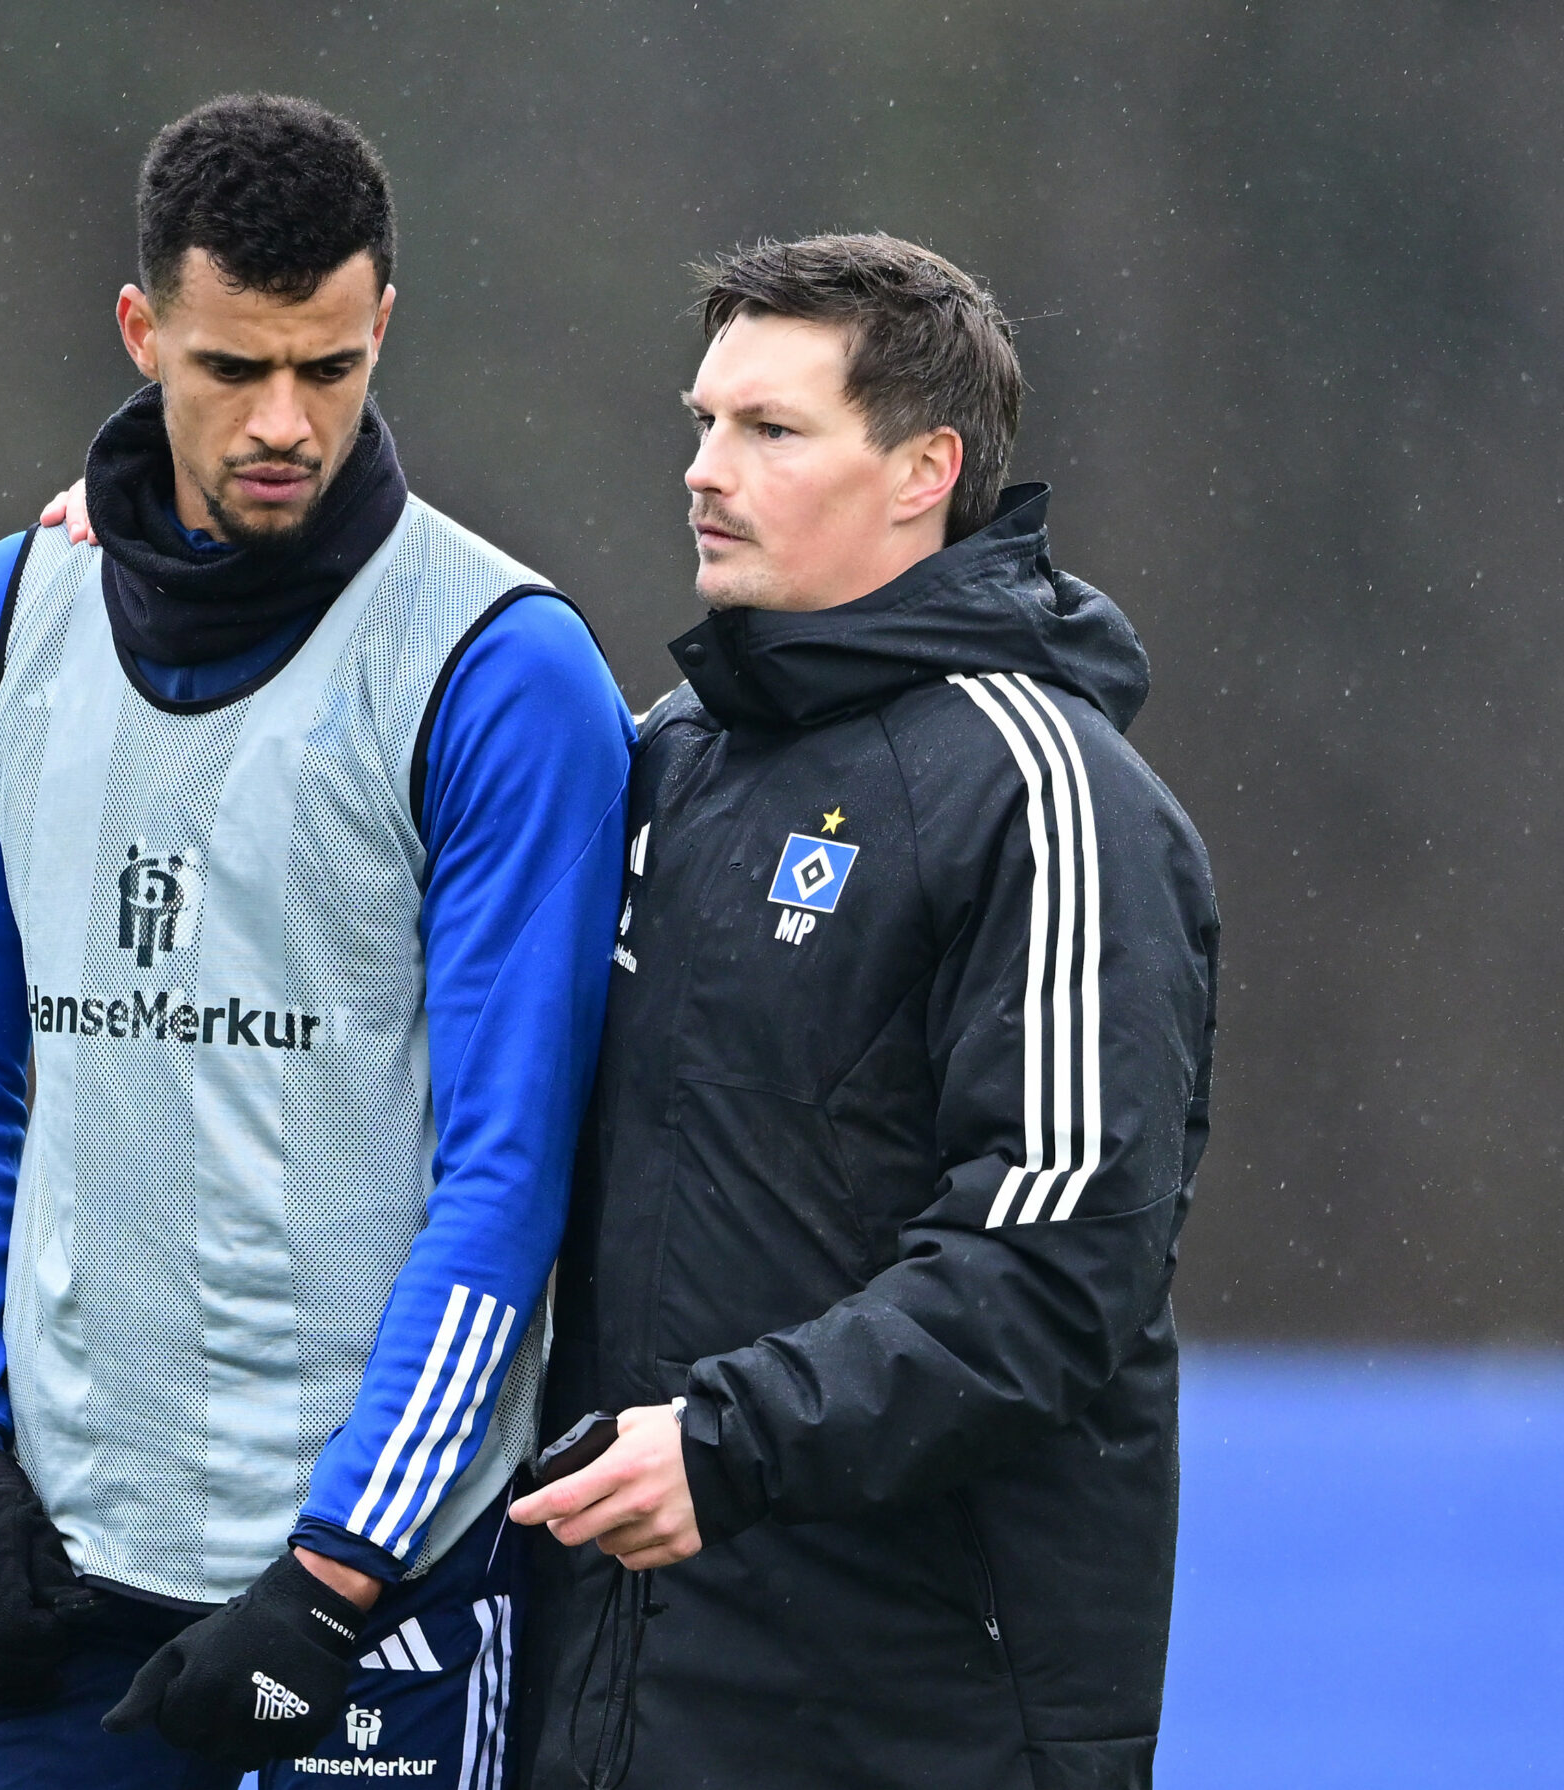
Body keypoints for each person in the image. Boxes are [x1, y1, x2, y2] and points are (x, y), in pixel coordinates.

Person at [0, 94, 631, 1790]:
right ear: (144, 332)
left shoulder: (504, 669)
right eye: (232, 369)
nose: (285, 419)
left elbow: (504, 1178)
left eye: (330, 365)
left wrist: (338, 1568)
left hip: (370, 1612)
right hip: (55, 1584)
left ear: (385, 327)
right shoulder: (9, 613)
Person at [504, 234, 1220, 1788]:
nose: (705, 469)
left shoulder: (1050, 792)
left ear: (923, 470)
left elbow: (1048, 1268)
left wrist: (727, 1443)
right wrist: (181, 564)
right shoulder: (665, 758)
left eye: (770, 431)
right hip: (618, 1701)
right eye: (702, 422)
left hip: (916, 1722)